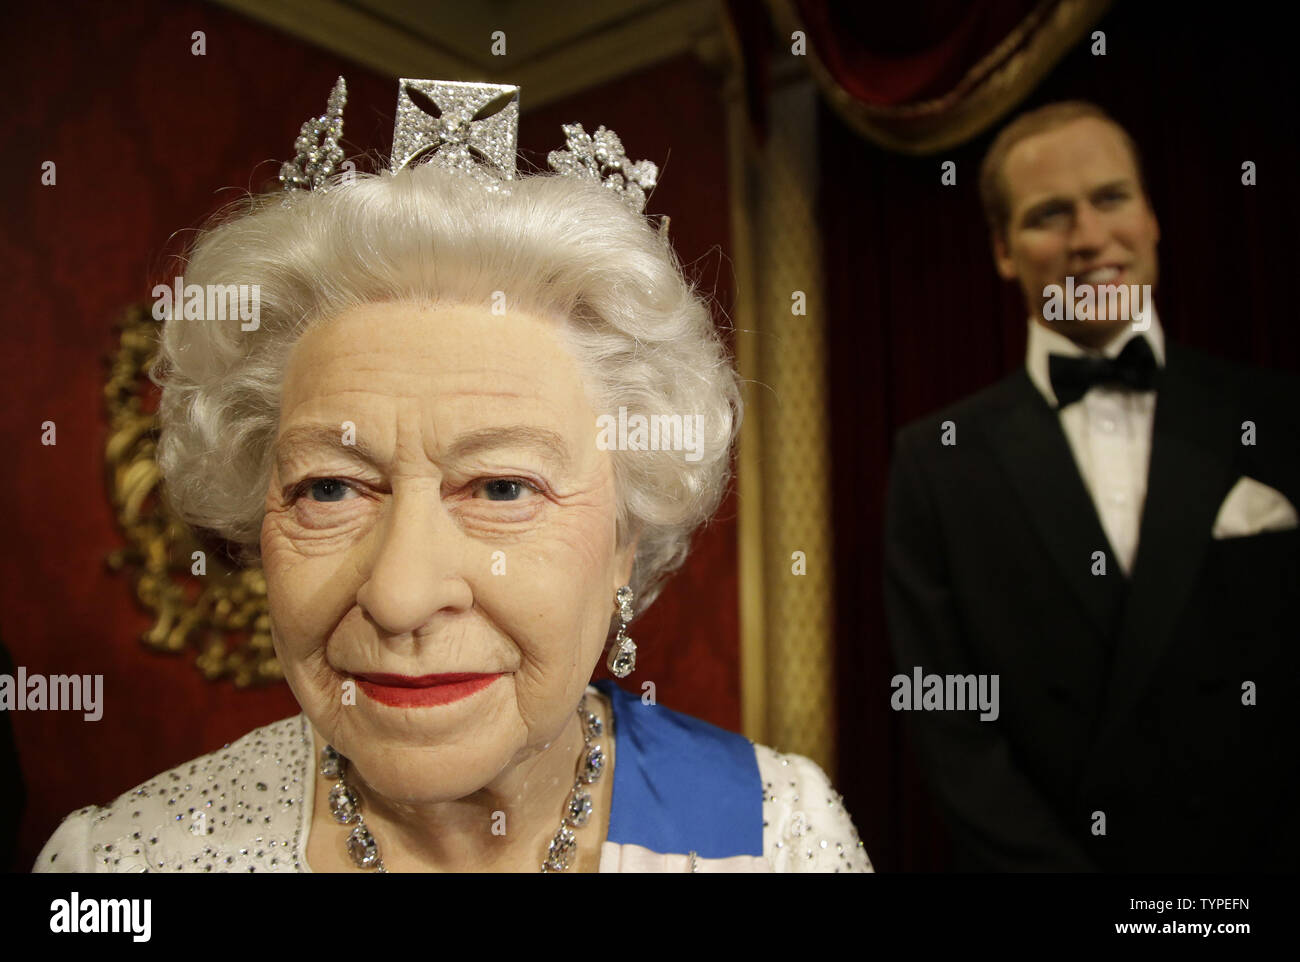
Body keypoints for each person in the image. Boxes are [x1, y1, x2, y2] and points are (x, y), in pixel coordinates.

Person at [34, 78, 870, 873]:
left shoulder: (777, 834)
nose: (400, 597)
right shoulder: (129, 861)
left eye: (502, 487)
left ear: (625, 538)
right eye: (329, 488)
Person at [884, 100, 1299, 871]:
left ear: (1151, 218)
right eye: (1050, 214)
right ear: (1004, 251)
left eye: (1110, 198)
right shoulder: (935, 463)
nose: (1087, 236)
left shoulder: (1278, 421)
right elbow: (947, 715)